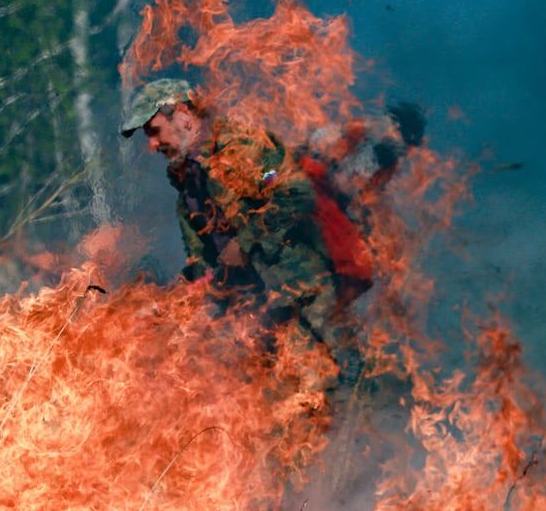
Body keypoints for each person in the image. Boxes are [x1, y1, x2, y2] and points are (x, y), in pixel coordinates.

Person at [120, 79, 389, 382]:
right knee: (287, 400)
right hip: (261, 311)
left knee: (335, 388)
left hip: (303, 293)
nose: (152, 145)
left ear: (183, 116)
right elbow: (203, 264)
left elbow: (293, 190)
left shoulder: (242, 146)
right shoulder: (189, 185)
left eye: (154, 132)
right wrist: (169, 304)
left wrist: (245, 242)